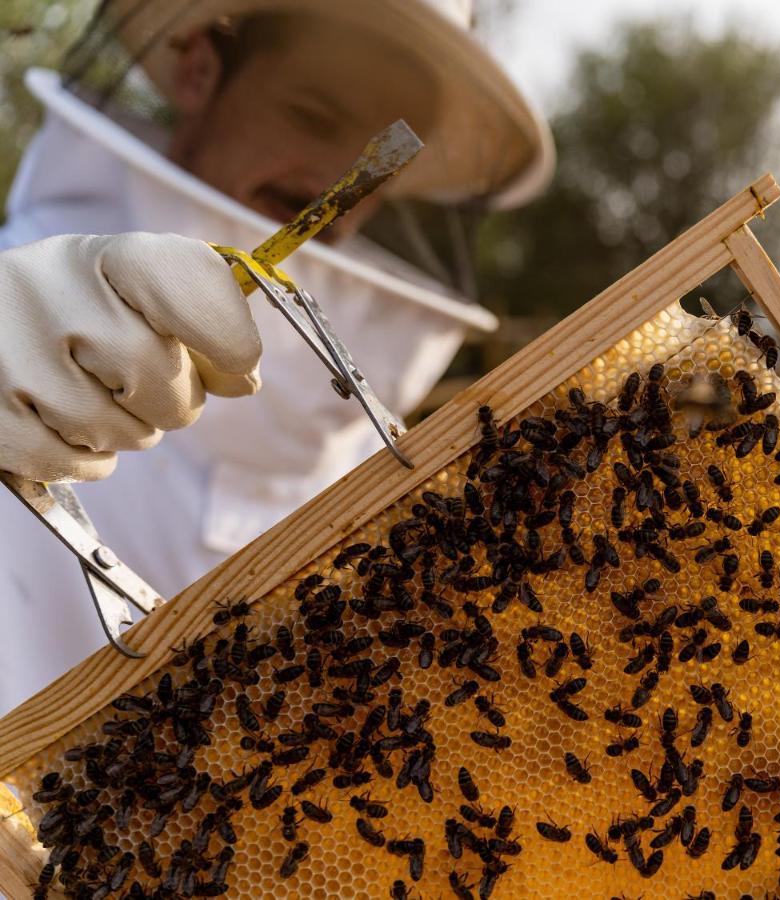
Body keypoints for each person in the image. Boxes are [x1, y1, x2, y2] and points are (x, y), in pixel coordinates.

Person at [0, 0, 553, 715]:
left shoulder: (374, 469)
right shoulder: (20, 308)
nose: (336, 187)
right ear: (199, 70)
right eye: (313, 117)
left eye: (375, 164)